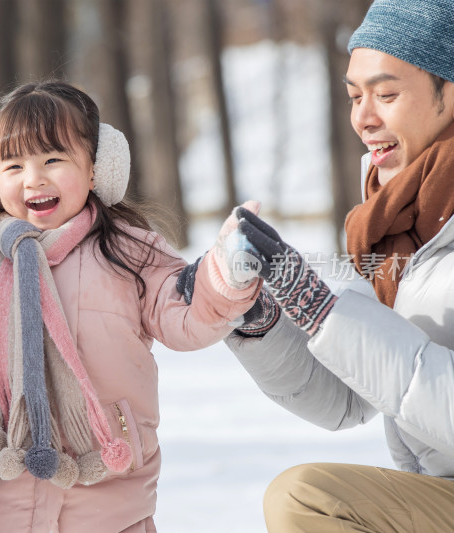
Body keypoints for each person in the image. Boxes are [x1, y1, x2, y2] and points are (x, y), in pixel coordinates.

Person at [0, 80, 262, 533]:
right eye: (13, 165)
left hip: (107, 500)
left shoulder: (128, 252)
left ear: (96, 169)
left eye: (53, 159)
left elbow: (184, 315)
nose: (34, 178)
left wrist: (223, 277)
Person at [221, 0, 454, 531]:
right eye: (355, 96)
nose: (363, 118)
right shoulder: (396, 224)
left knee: (304, 499)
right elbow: (348, 400)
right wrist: (260, 316)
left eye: (387, 94)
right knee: (310, 497)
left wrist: (324, 310)